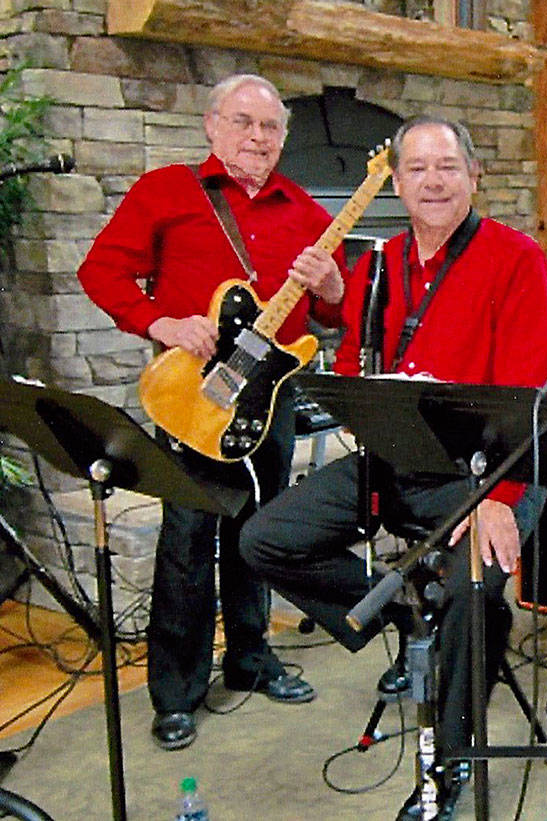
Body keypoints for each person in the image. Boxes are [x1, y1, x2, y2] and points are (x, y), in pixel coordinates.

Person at [240, 113, 547, 821]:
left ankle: (446, 766)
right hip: (394, 461)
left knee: (472, 589)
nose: (433, 181)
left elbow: (528, 393)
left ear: (474, 176)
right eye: (416, 168)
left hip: (488, 470)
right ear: (399, 182)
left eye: (448, 166)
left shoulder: (516, 259)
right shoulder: (377, 262)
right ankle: (404, 619)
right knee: (265, 537)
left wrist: (499, 496)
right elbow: (355, 364)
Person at [77, 74, 345, 752]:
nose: (258, 138)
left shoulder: (307, 210)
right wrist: (159, 321)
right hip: (193, 398)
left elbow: (337, 313)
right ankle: (177, 689)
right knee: (188, 540)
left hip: (272, 398)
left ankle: (252, 659)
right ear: (212, 126)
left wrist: (336, 287)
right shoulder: (167, 191)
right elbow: (101, 271)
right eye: (244, 122)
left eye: (271, 128)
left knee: (262, 532)